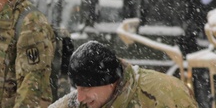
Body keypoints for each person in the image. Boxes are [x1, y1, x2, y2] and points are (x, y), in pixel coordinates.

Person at [49, 41, 198, 108]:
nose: (80, 97)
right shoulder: (80, 103)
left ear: (108, 81)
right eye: (77, 88)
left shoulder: (165, 94)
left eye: (86, 89)